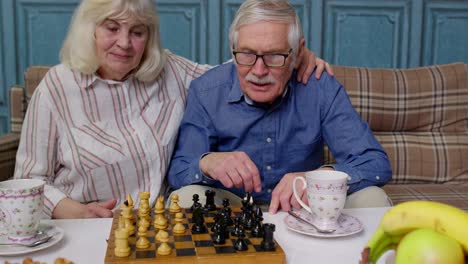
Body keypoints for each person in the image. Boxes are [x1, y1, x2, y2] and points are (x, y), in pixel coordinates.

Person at [13, 0, 331, 219]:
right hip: (87, 228)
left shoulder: (171, 71)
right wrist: (74, 211)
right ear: (90, 30)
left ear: (148, 37)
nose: (124, 43)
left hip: (162, 228)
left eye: (137, 32)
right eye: (112, 28)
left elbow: (242, 71)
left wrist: (290, 56)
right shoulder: (57, 88)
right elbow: (27, 180)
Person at [167, 0, 392, 214]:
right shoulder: (206, 91)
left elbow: (375, 164)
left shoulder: (320, 88)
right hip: (232, 212)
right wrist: (207, 162)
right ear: (232, 48)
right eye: (246, 54)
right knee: (187, 198)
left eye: (274, 56)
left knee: (373, 199)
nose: (258, 71)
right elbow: (178, 172)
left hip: (305, 207)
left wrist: (317, 179)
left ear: (297, 53)